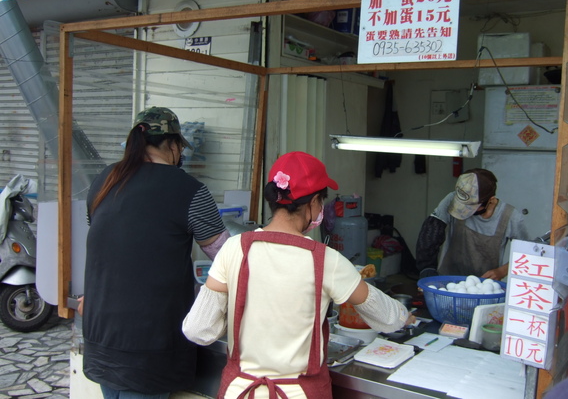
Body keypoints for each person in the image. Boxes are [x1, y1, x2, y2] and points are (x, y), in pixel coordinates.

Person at [182, 151, 416, 399]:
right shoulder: (326, 260)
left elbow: (198, 329)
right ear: (314, 203)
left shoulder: (233, 248)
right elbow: (385, 316)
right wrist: (404, 317)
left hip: (240, 392)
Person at [81, 106, 230, 399]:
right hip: (149, 347)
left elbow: (112, 242)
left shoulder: (103, 180)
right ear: (173, 145)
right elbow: (228, 258)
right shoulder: (189, 190)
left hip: (101, 337)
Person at [416, 168, 528, 280]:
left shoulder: (510, 216)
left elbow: (526, 254)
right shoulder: (452, 199)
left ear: (491, 201)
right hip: (448, 278)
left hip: (484, 285)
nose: (462, 209)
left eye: (470, 207)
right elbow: (431, 232)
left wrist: (502, 271)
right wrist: (427, 268)